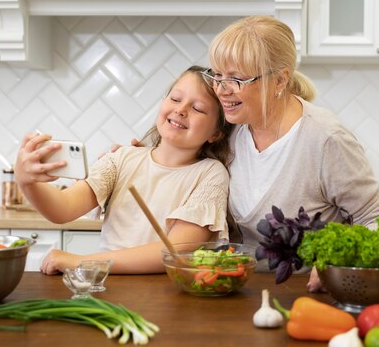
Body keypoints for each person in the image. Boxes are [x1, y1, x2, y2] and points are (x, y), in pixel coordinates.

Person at [204, 15, 379, 291]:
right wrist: (139, 157)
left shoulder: (325, 139)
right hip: (241, 292)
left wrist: (338, 262)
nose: (221, 90)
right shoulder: (231, 131)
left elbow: (378, 219)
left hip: (313, 296)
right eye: (217, 75)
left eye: (236, 78)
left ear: (280, 80)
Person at [14, 65, 233, 275]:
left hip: (168, 295)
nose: (181, 110)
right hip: (108, 287)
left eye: (198, 109)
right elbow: (62, 209)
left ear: (216, 133)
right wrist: (27, 182)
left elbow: (176, 250)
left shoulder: (211, 174)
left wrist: (82, 262)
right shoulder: (121, 159)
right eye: (175, 98)